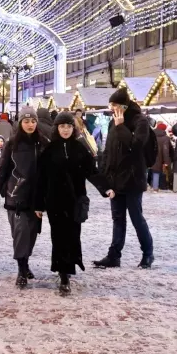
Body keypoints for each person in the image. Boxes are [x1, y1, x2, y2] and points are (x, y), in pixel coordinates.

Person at [35, 112, 113, 296]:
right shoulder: (49, 150)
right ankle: (63, 275)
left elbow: (91, 171)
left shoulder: (80, 148)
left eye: (69, 126)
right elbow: (41, 180)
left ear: (73, 128)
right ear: (57, 128)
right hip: (54, 201)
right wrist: (38, 204)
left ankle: (69, 268)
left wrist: (105, 188)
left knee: (73, 236)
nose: (65, 130)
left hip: (75, 200)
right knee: (59, 237)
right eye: (62, 126)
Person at [94, 89, 155, 270]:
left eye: (113, 106)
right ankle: (114, 256)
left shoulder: (140, 121)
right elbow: (109, 152)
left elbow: (136, 147)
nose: (111, 109)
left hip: (133, 179)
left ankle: (148, 254)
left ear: (123, 107)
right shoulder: (114, 123)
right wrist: (104, 175)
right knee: (118, 219)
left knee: (137, 218)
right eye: (111, 106)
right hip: (115, 180)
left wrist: (121, 127)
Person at [0, 106, 48, 288]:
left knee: (31, 234)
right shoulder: (12, 144)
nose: (30, 124)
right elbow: (2, 170)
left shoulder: (43, 142)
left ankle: (25, 261)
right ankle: (21, 270)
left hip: (36, 197)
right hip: (16, 194)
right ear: (20, 122)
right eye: (26, 121)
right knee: (21, 232)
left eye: (33, 121)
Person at [150, 122, 172, 192]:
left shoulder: (151, 135)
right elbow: (165, 151)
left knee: (154, 171)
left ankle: (153, 185)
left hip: (151, 157)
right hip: (160, 158)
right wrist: (166, 161)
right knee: (157, 172)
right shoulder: (165, 138)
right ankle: (155, 187)